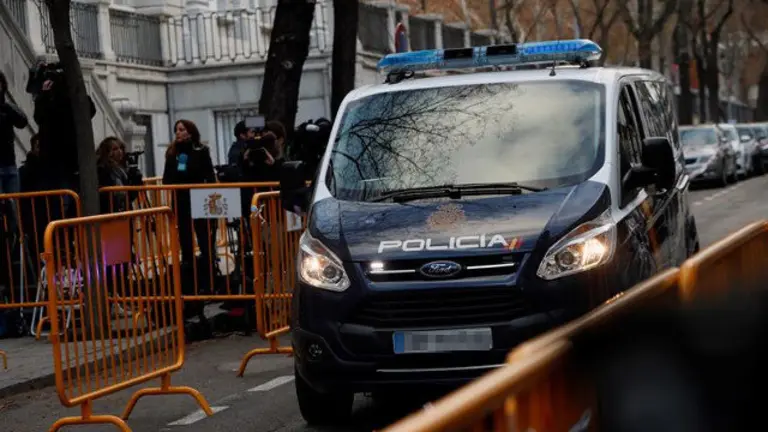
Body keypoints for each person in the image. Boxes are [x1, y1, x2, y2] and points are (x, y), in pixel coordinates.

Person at [162, 119, 217, 332]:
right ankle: (189, 276)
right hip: (181, 201)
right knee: (185, 241)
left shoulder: (201, 150)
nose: (179, 133)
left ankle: (208, 278)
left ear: (191, 131)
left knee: (204, 239)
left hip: (199, 199)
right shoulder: (173, 153)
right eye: (176, 129)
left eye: (182, 129)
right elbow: (167, 178)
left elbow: (208, 175)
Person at [31, 60, 96, 194]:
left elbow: (90, 111)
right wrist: (44, 94)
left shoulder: (73, 96)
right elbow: (39, 117)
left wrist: (73, 90)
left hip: (71, 157)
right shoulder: (47, 97)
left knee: (69, 195)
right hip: (51, 156)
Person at [96, 137, 142, 213]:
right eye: (115, 149)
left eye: (120, 148)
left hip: (123, 212)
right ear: (107, 152)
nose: (120, 151)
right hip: (113, 214)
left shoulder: (121, 168)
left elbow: (129, 195)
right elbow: (118, 195)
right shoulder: (104, 169)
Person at [0, 71, 28, 195]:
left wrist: (6, 106)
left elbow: (22, 121)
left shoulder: (6, 108)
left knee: (13, 207)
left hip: (10, 165)